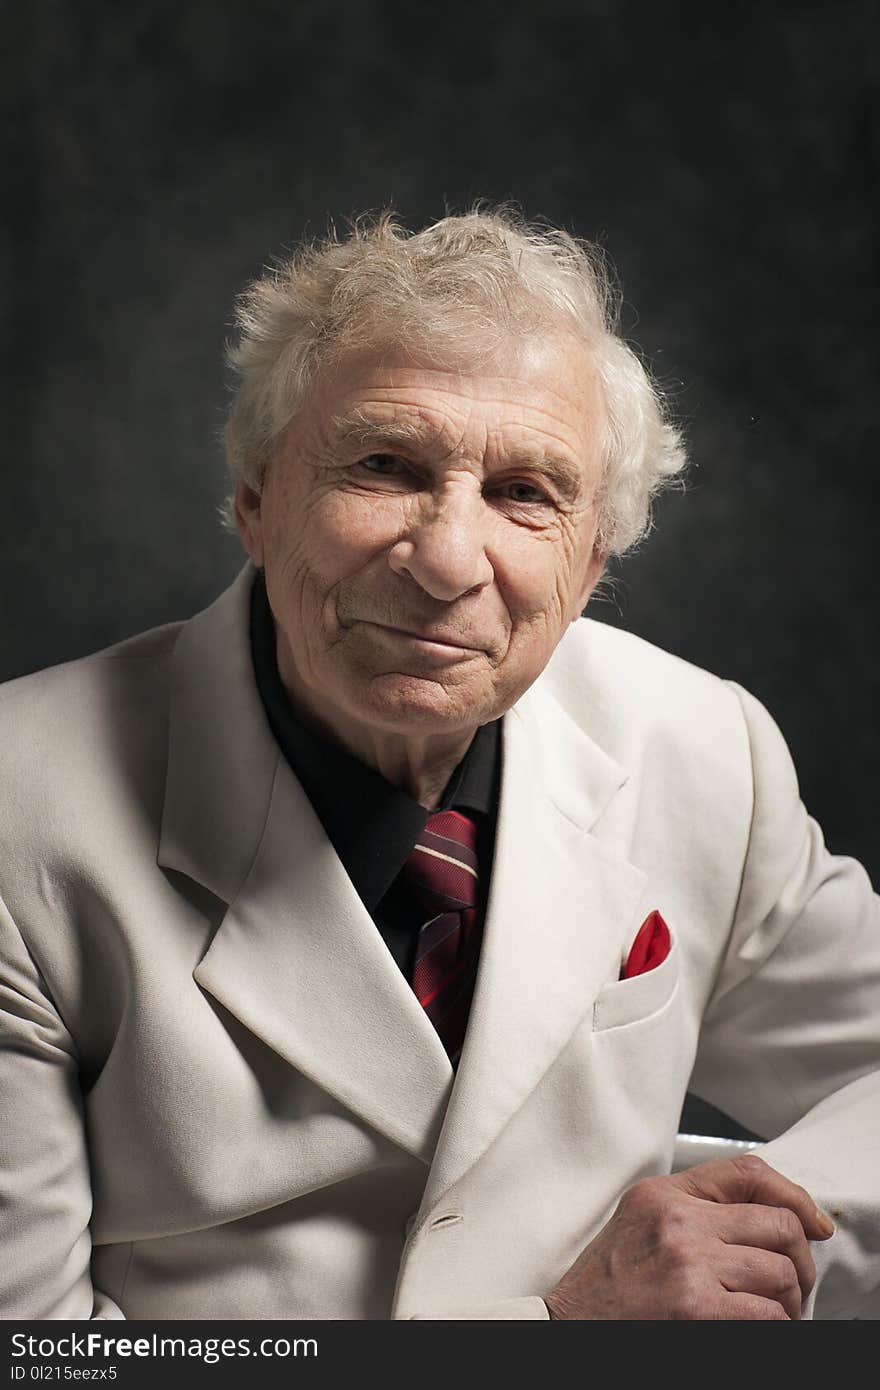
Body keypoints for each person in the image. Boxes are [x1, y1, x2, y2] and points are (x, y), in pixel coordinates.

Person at [1, 208, 878, 1322]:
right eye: (384, 465)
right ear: (256, 502)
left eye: (525, 493)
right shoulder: (16, 813)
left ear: (594, 556)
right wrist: (563, 1333)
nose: (448, 559)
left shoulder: (704, 745)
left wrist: (766, 1244)